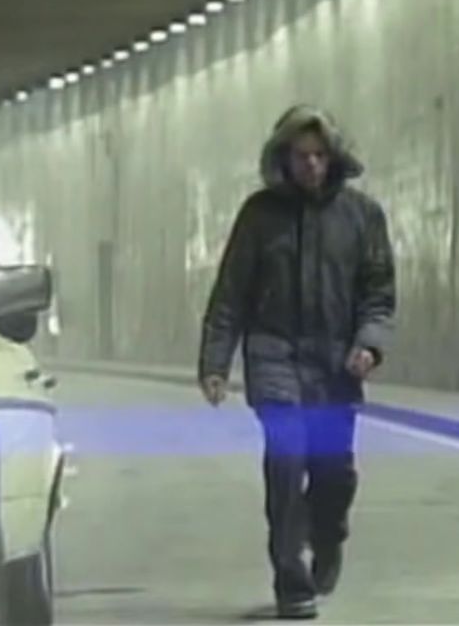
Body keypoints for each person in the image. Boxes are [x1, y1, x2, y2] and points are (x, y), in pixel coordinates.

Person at [197, 105, 396, 619]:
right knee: (286, 462)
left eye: (319, 155)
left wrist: (368, 345)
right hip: (274, 356)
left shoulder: (362, 217)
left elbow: (377, 293)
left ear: (334, 158)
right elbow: (231, 295)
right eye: (301, 155)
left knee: (334, 472)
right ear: (284, 158)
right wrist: (215, 363)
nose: (310, 165)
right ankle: (292, 578)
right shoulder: (260, 216)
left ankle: (327, 535)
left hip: (335, 364)